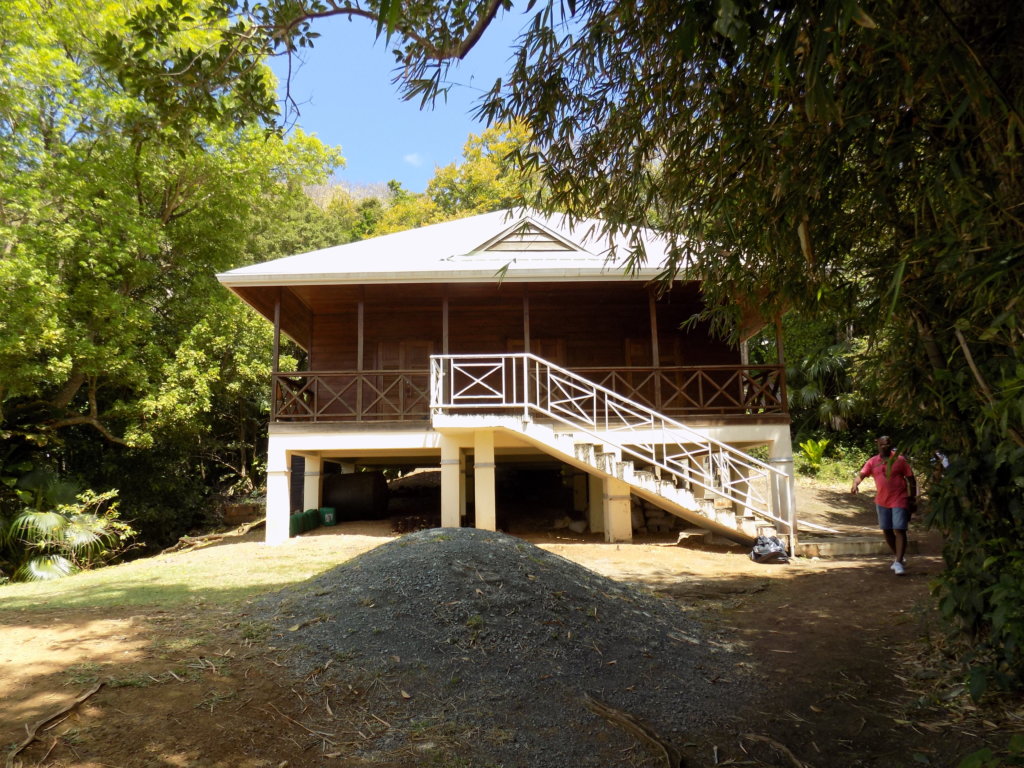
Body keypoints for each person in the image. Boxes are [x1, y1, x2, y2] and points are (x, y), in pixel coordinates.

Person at [851, 436, 917, 575]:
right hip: (882, 500)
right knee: (887, 530)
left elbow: (911, 478)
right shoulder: (873, 461)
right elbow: (861, 475)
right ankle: (898, 556)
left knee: (899, 529)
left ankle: (898, 562)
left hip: (900, 498)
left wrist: (912, 498)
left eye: (887, 444)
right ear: (877, 445)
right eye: (882, 445)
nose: (884, 447)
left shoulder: (899, 460)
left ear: (890, 445)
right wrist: (855, 484)